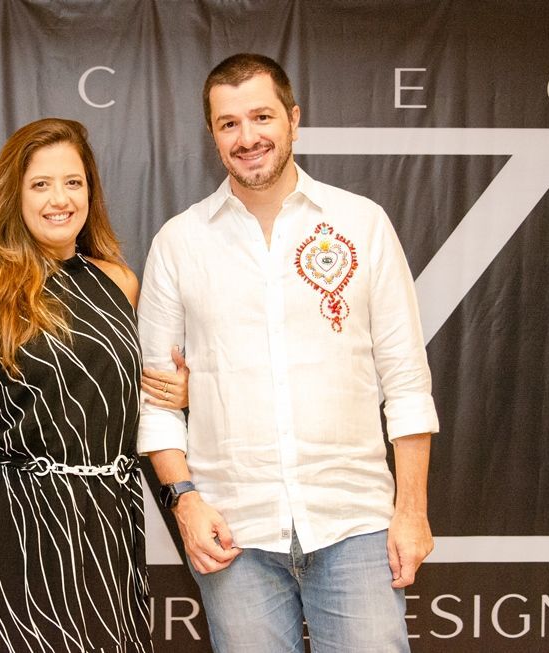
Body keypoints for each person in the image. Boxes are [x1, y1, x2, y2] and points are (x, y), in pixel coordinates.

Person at [137, 53, 439, 651]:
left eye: (261, 117)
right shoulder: (179, 243)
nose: (247, 138)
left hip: (354, 523)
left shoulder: (361, 224)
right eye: (229, 124)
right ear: (213, 135)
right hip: (233, 533)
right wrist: (185, 502)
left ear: (293, 119)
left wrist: (412, 510)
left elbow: (405, 383)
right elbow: (158, 402)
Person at [0, 117, 186, 651]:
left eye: (73, 182)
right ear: (14, 196)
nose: (59, 199)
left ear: (90, 191)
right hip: (17, 529)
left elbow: (110, 392)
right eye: (40, 184)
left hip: (110, 524)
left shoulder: (119, 282)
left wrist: (182, 395)